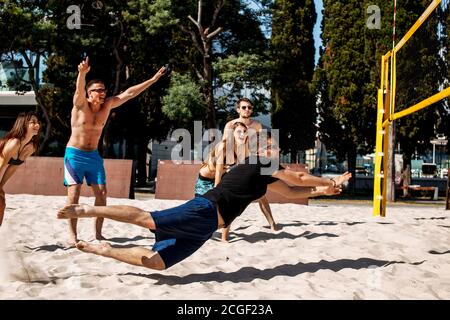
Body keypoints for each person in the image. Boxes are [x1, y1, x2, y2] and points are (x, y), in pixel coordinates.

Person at [57, 133, 352, 271]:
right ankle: (87, 208)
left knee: (156, 262)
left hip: (206, 229)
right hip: (204, 210)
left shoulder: (263, 177)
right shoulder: (257, 163)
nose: (276, 150)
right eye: (271, 146)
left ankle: (107, 250)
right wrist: (329, 181)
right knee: (148, 218)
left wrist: (322, 193)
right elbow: (298, 180)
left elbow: (292, 192)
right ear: (261, 150)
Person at [64, 56, 166, 245]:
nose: (103, 93)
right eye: (98, 90)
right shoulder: (80, 105)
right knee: (74, 194)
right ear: (89, 93)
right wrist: (82, 73)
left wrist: (152, 81)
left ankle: (98, 233)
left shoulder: (107, 106)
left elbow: (128, 93)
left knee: (102, 194)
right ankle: (72, 234)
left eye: (104, 90)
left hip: (93, 156)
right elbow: (79, 89)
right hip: (74, 155)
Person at [194, 121, 278, 242]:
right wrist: (217, 193)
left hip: (223, 177)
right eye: (239, 131)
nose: (242, 134)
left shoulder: (243, 148)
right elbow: (218, 172)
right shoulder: (223, 146)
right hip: (206, 180)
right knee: (200, 212)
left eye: (245, 132)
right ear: (232, 134)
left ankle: (224, 238)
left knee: (230, 205)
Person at [0, 111, 40, 226]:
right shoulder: (14, 143)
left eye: (38, 122)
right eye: (33, 122)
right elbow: (1, 165)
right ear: (23, 124)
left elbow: (13, 167)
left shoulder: (31, 147)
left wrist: (1, 185)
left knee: (2, 203)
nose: (37, 125)